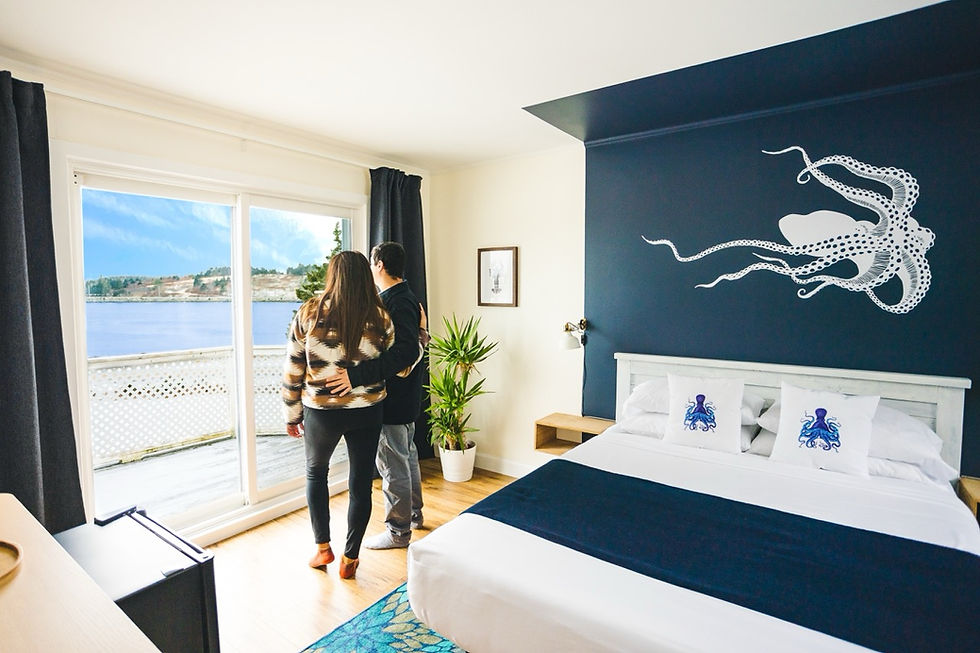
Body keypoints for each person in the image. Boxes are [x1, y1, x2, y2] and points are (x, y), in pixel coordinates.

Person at [282, 250, 394, 579]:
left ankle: (322, 549)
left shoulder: (310, 312)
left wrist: (292, 413)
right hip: (367, 410)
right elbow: (391, 365)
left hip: (322, 412)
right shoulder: (380, 317)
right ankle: (351, 559)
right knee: (361, 483)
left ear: (333, 275)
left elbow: (293, 369)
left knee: (317, 475)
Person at [324, 241, 426, 550]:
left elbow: (406, 352)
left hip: (394, 399)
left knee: (393, 463)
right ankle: (413, 515)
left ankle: (399, 531)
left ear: (379, 264)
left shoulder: (395, 303)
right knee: (405, 456)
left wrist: (355, 376)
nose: (369, 268)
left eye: (371, 262)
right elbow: (412, 345)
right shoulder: (401, 299)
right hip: (405, 397)